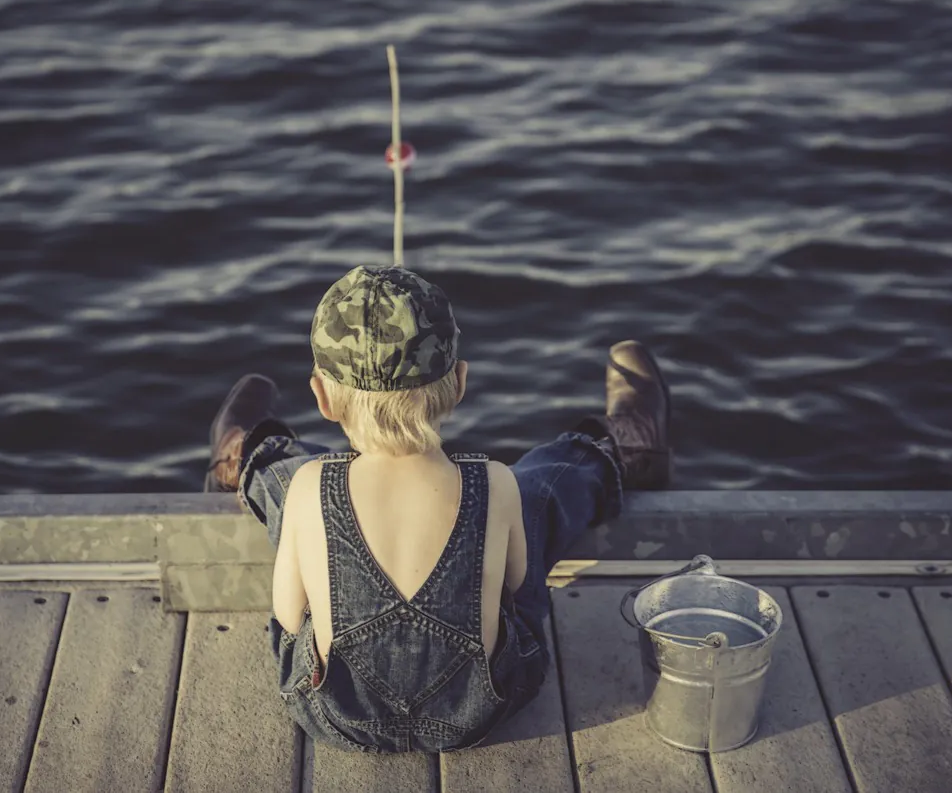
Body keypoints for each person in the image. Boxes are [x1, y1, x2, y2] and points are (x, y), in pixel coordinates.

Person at [203, 265, 670, 753]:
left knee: (292, 482)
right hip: (481, 710)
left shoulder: (309, 486)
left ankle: (250, 454)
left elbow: (290, 618)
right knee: (533, 494)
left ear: (322, 397)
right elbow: (517, 586)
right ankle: (616, 451)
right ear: (460, 382)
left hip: (338, 715)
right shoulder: (495, 482)